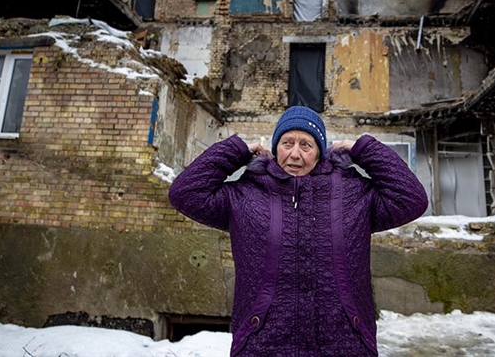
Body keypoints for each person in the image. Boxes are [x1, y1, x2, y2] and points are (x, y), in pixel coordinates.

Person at [169, 106, 428, 356]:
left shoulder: (353, 193)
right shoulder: (246, 194)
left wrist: (363, 149)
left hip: (345, 343)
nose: (295, 154)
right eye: (287, 143)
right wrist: (237, 151)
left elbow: (411, 199)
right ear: (275, 148)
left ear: (319, 153)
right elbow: (185, 193)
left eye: (306, 145)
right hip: (263, 344)